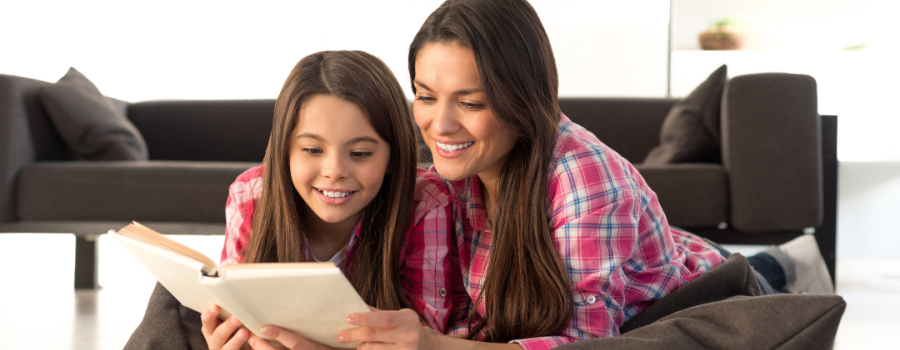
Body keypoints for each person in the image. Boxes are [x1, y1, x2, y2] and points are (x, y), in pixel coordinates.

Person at [326, 1, 834, 349]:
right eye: (426, 96)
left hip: (692, 301)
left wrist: (431, 344)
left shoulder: (585, 179)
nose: (441, 125)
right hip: (645, 261)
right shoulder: (455, 172)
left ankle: (784, 266)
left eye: (472, 102)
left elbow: (585, 345)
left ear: (522, 97)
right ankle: (782, 261)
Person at [199, 50, 454, 350]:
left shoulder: (426, 203)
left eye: (360, 154)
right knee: (171, 306)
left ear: (392, 157)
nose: (334, 172)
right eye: (312, 150)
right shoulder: (252, 194)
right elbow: (236, 309)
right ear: (285, 151)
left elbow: (426, 336)